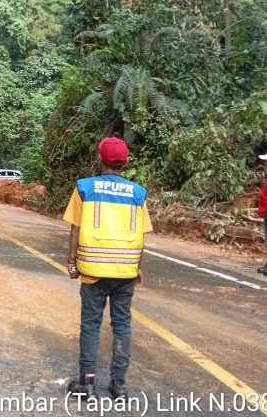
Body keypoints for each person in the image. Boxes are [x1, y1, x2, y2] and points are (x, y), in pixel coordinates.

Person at [63, 137, 152, 400]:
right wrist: (137, 266)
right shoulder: (138, 193)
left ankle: (87, 384)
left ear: (100, 159)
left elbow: (76, 228)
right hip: (125, 270)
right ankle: (119, 385)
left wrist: (71, 261)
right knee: (122, 324)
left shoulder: (84, 188)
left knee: (91, 324)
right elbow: (141, 235)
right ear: (124, 162)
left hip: (92, 270)